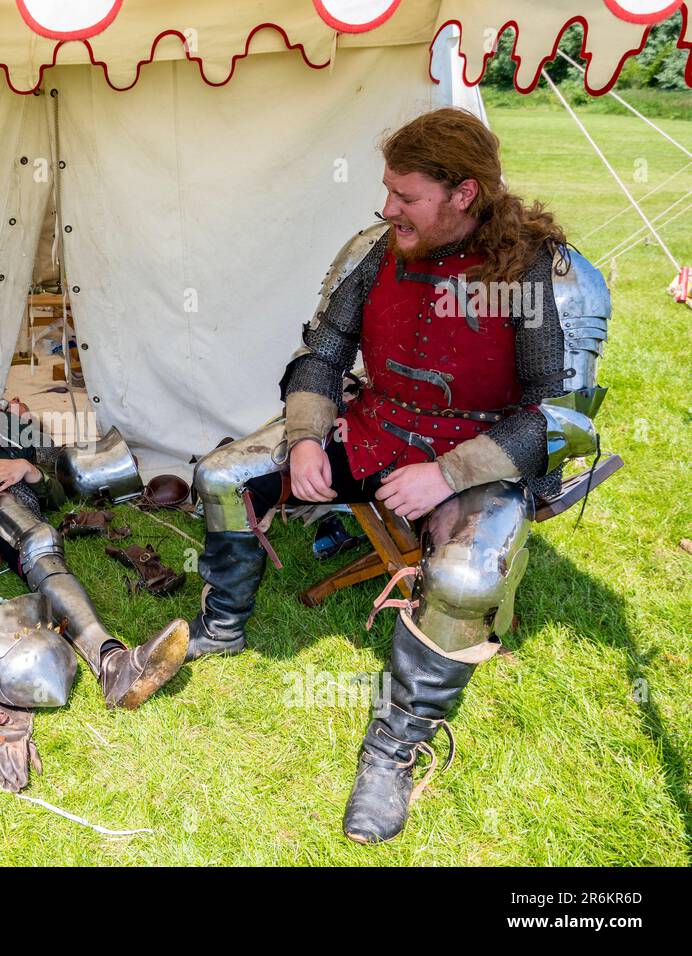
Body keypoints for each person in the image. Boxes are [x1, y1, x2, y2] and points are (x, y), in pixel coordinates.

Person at [189, 108, 609, 842]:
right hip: (376, 428)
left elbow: (567, 419)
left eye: (405, 196)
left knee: (468, 579)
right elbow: (321, 354)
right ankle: (222, 626)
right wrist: (307, 439)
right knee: (225, 475)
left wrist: (449, 474)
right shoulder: (375, 250)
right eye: (387, 191)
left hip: (486, 456)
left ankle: (395, 745)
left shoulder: (552, 276)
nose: (387, 209)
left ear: (464, 193)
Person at [0, 395, 188, 710]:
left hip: (1, 496)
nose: (14, 402)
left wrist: (29, 470)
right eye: (9, 400)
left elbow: (58, 494)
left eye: (21, 402)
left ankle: (112, 663)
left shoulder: (41, 442)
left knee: (41, 539)